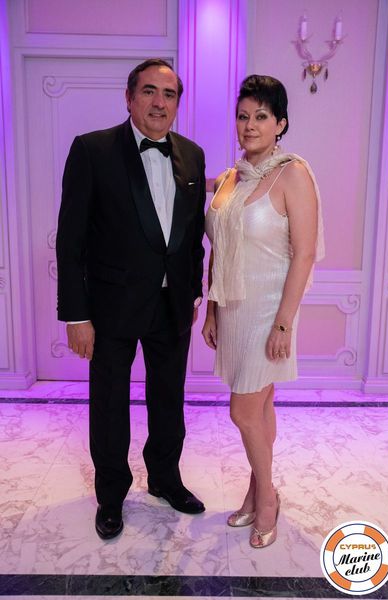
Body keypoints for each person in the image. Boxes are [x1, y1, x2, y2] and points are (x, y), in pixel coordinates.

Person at [56, 59, 206, 540]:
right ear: (129, 97)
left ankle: (164, 478)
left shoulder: (193, 155)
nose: (159, 103)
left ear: (177, 103)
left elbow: (192, 236)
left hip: (172, 306)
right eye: (149, 91)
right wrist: (76, 315)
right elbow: (70, 241)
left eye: (169, 94)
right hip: (110, 308)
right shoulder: (93, 150)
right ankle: (111, 495)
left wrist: (194, 293)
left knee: (169, 399)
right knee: (109, 405)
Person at [202, 75, 324, 549]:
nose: (249, 125)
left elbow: (305, 254)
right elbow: (219, 247)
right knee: (261, 405)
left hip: (269, 312)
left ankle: (267, 496)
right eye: (242, 116)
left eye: (261, 116)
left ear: (281, 124)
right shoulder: (230, 178)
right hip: (234, 309)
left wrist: (283, 324)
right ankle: (256, 491)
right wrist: (212, 311)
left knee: (243, 411)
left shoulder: (292, 173)